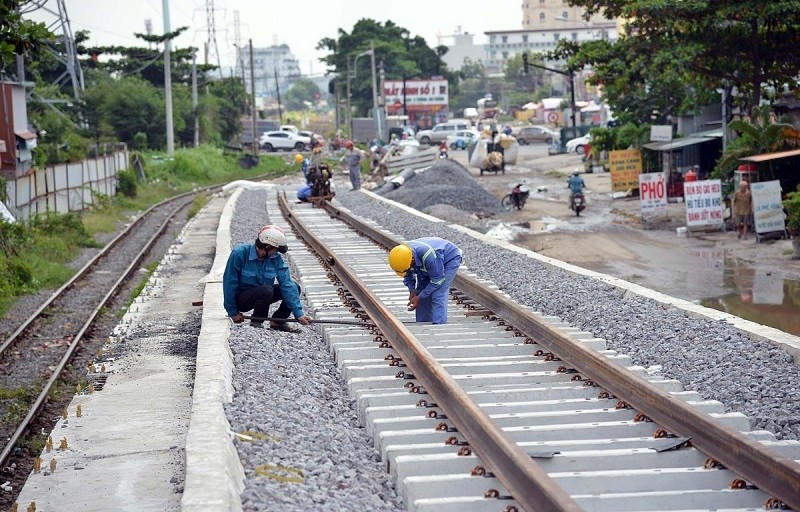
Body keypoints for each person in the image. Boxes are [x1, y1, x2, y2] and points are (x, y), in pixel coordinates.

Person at [223, 224, 312, 332]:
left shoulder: (275, 259)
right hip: (242, 299)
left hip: (263, 294)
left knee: (294, 286)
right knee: (266, 290)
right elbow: (229, 283)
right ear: (267, 247)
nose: (276, 253)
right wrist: (233, 312)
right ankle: (256, 321)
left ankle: (278, 322)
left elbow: (287, 284)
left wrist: (299, 314)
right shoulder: (239, 254)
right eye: (275, 250)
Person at [387, 237, 463, 324]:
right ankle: (423, 324)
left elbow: (437, 280)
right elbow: (407, 274)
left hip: (449, 259)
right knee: (420, 292)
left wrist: (419, 297)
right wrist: (412, 290)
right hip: (428, 263)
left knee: (438, 293)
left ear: (412, 260)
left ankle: (439, 325)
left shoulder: (428, 256)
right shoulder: (404, 257)